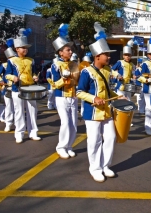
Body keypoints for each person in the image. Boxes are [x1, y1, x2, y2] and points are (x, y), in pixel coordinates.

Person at [76, 22, 120, 182]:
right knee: (94, 141)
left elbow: (108, 91)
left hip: (107, 111)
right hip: (92, 112)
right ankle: (94, 168)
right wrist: (94, 98)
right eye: (106, 54)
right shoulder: (87, 72)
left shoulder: (108, 71)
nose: (109, 57)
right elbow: (79, 92)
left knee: (110, 138)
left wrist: (118, 95)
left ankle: (105, 165)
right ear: (97, 56)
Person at [5, 28, 41, 143]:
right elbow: (7, 75)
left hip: (30, 88)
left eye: (26, 48)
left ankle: (33, 132)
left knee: (32, 110)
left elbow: (33, 72)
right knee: (19, 111)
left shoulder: (31, 60)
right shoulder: (12, 61)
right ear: (17, 49)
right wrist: (13, 78)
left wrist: (35, 76)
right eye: (23, 48)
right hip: (17, 89)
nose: (25, 50)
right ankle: (19, 133)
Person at [51, 24, 79, 159]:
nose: (71, 52)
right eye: (68, 50)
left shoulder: (73, 64)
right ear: (60, 52)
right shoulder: (55, 65)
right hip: (61, 97)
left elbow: (77, 81)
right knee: (65, 123)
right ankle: (61, 147)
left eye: (71, 50)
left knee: (74, 123)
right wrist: (64, 78)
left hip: (73, 95)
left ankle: (69, 146)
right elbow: (54, 84)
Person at [138, 38, 151, 135]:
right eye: (150, 54)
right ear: (147, 55)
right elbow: (140, 76)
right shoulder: (145, 64)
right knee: (149, 108)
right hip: (148, 88)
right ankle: (147, 127)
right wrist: (147, 80)